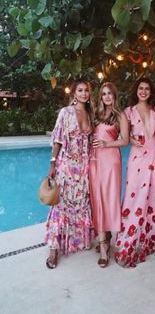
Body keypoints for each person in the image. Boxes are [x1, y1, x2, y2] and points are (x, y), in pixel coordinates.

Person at [115, 77, 155, 268]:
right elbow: (123, 137)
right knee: (133, 198)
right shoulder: (127, 112)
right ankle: (128, 242)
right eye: (141, 88)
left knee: (153, 198)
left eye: (147, 89)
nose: (143, 91)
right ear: (136, 90)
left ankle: (150, 240)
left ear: (151, 92)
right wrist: (132, 140)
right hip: (137, 159)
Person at [45, 78, 95, 268]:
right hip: (66, 166)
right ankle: (54, 249)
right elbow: (57, 139)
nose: (84, 94)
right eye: (80, 90)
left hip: (83, 168)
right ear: (74, 93)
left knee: (80, 204)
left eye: (87, 91)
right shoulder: (65, 113)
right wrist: (52, 164)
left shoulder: (90, 114)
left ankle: (75, 240)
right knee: (61, 206)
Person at [89, 82, 129, 268]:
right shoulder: (96, 114)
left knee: (109, 199)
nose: (106, 97)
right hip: (94, 161)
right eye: (103, 94)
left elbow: (125, 141)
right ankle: (104, 236)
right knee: (97, 199)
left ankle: (105, 247)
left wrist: (106, 144)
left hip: (111, 160)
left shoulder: (120, 115)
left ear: (114, 96)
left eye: (109, 94)